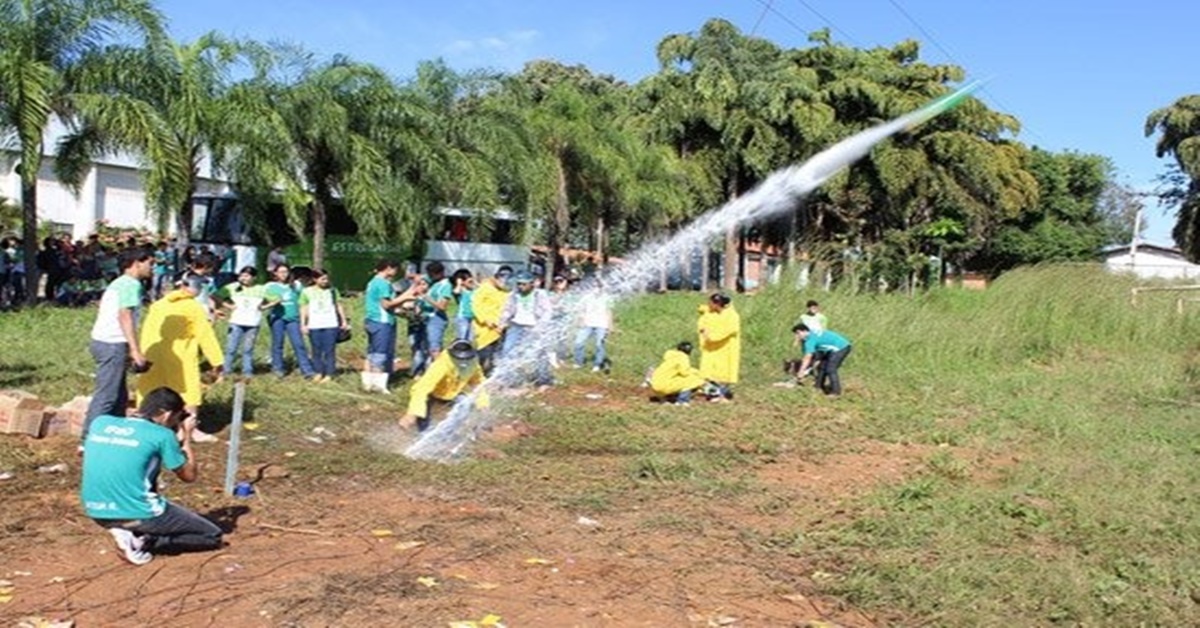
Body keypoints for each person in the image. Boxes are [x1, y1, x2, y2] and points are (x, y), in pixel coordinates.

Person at [81, 387, 224, 566]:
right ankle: (142, 541)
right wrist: (186, 435)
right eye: (176, 418)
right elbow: (189, 476)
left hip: (95, 510)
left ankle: (127, 530)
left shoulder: (101, 423)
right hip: (139, 511)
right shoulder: (162, 435)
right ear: (166, 414)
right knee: (212, 536)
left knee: (144, 469)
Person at [136, 273, 225, 442]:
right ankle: (189, 431)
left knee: (151, 390)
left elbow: (147, 331)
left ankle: (145, 426)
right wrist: (217, 361)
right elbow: (205, 335)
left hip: (154, 355)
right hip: (181, 357)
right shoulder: (193, 307)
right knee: (189, 392)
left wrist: (143, 355)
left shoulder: (158, 305)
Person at [83, 246, 154, 441]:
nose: (152, 268)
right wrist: (135, 350)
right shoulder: (131, 284)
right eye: (150, 263)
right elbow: (125, 316)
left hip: (106, 342)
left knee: (120, 396)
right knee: (107, 395)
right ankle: (89, 439)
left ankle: (111, 434)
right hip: (112, 344)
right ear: (137, 263)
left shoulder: (120, 283)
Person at [400, 340, 490, 432]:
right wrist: (413, 413)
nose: (463, 361)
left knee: (465, 404)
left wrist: (483, 405)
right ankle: (423, 432)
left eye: (466, 358)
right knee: (424, 421)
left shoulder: (473, 363)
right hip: (434, 393)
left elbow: (478, 384)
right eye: (459, 358)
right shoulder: (441, 364)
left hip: (453, 393)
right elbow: (421, 388)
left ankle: (453, 431)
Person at [362, 259, 418, 393]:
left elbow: (391, 304)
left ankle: (368, 384)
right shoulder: (382, 283)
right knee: (380, 353)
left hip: (373, 320)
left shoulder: (375, 282)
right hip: (381, 322)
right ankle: (378, 386)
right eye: (395, 269)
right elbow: (386, 304)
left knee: (372, 352)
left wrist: (407, 297)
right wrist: (406, 298)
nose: (396, 272)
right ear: (388, 268)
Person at [499, 270, 554, 386]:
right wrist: (502, 321)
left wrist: (541, 326)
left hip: (534, 326)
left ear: (531, 284)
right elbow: (507, 310)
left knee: (540, 352)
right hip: (516, 326)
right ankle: (509, 379)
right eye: (519, 284)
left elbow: (548, 311)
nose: (520, 286)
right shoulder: (513, 295)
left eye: (524, 284)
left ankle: (543, 380)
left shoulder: (540, 294)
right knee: (507, 350)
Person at [215, 266, 271, 380]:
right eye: (241, 275)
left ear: (254, 277)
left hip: (253, 323)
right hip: (236, 322)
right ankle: (226, 370)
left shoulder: (261, 289)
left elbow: (277, 298)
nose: (243, 278)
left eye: (247, 276)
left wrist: (264, 306)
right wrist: (228, 306)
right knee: (231, 348)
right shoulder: (233, 287)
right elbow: (215, 295)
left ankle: (247, 371)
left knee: (248, 349)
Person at [263, 264, 316, 379]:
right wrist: (270, 304)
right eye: (281, 272)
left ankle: (307, 370)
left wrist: (307, 317)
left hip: (294, 319)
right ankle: (277, 369)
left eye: (286, 272)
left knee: (299, 344)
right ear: (275, 273)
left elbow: (303, 301)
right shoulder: (269, 286)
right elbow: (262, 301)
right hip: (277, 318)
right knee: (278, 344)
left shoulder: (296, 285)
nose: (283, 274)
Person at [299, 269, 349, 382]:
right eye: (322, 279)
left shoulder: (332, 291)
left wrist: (343, 321)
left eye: (327, 278)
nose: (325, 281)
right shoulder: (306, 292)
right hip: (314, 324)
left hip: (330, 324)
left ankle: (329, 374)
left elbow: (338, 305)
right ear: (314, 279)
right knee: (316, 350)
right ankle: (318, 372)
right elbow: (304, 308)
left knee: (329, 350)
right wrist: (303, 324)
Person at [697, 292, 740, 401]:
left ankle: (723, 395)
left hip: (726, 349)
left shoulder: (732, 316)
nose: (708, 305)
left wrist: (711, 337)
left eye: (710, 303)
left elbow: (730, 330)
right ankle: (712, 393)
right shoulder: (712, 311)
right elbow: (704, 309)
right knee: (710, 371)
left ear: (717, 304)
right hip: (712, 349)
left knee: (724, 372)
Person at [471, 265, 513, 376]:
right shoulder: (484, 288)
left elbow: (510, 309)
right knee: (484, 355)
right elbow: (476, 306)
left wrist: (505, 323)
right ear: (495, 276)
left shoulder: (508, 292)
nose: (504, 280)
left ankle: (491, 377)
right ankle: (477, 377)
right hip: (485, 329)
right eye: (501, 276)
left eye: (508, 277)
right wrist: (486, 320)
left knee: (497, 355)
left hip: (501, 329)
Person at [792, 323, 853, 396]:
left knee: (830, 369)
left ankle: (836, 392)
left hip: (841, 347)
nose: (797, 336)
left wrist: (801, 371)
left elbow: (807, 357)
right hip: (829, 350)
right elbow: (814, 354)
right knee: (821, 367)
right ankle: (818, 387)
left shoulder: (810, 340)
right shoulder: (811, 333)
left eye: (798, 333)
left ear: (804, 331)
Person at [573, 280, 614, 372]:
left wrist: (610, 326)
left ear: (602, 288)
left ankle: (597, 364)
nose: (596, 289)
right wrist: (579, 321)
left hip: (601, 324)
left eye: (598, 287)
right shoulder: (586, 298)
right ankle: (579, 362)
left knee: (599, 345)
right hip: (587, 324)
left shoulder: (607, 298)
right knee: (578, 343)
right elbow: (581, 310)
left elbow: (609, 312)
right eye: (594, 286)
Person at [422, 261, 453, 363]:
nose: (430, 276)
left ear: (440, 273)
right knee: (429, 347)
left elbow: (442, 306)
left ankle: (439, 371)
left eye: (432, 274)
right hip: (428, 318)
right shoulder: (435, 284)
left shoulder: (446, 285)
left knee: (435, 348)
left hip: (436, 319)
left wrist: (427, 298)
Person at [451, 268, 476, 342]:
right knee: (462, 336)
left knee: (470, 338)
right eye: (468, 281)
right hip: (463, 317)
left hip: (473, 317)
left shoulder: (473, 291)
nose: (471, 283)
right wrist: (459, 283)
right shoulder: (462, 291)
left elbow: (481, 289)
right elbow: (456, 292)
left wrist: (475, 282)